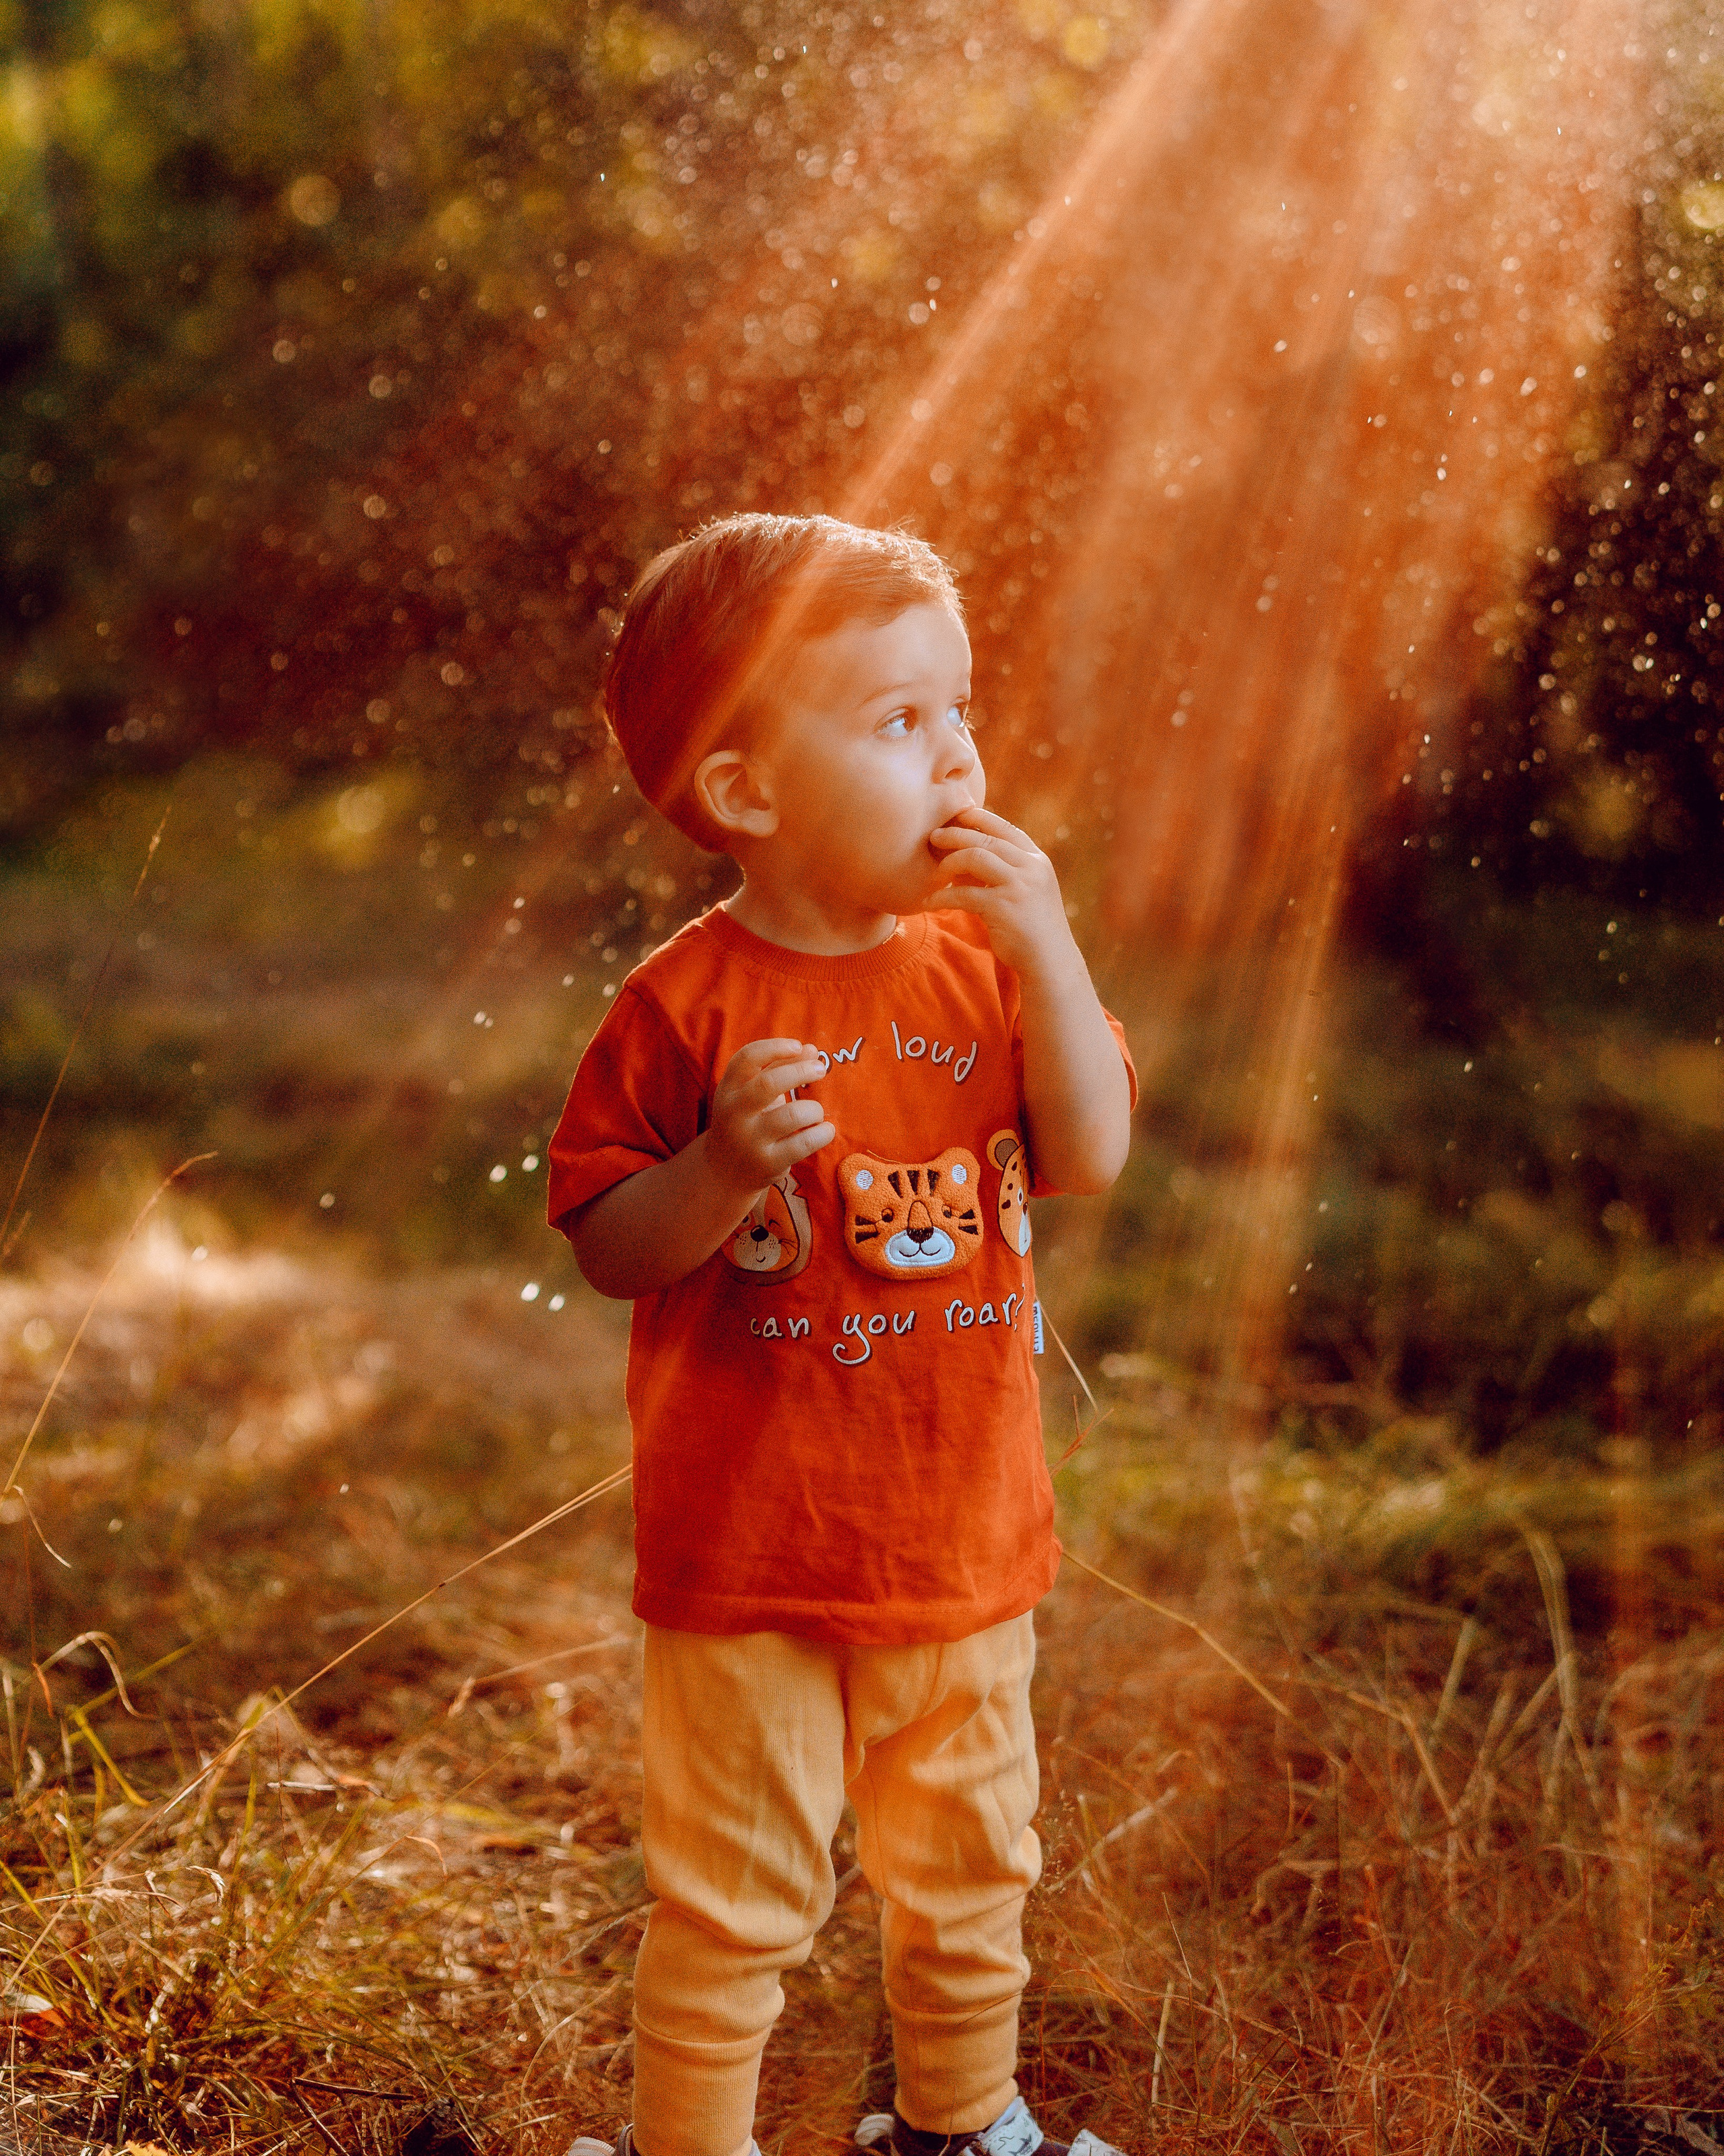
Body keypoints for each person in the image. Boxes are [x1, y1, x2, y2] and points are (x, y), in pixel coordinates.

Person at [547, 513, 1136, 2156]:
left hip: (959, 1539)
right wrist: (721, 1163)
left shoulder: (984, 966)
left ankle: (962, 2123)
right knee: (733, 1895)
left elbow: (1086, 1155)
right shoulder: (678, 1009)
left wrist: (1050, 941)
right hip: (749, 1555)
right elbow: (610, 1244)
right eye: (895, 723)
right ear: (745, 793)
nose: (953, 755)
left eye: (958, 710)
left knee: (968, 1871)